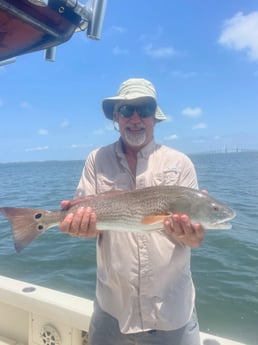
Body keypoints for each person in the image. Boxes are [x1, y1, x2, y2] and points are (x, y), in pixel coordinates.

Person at [60, 78, 205, 345]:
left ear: (155, 117)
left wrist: (190, 234)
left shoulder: (180, 163)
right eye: (127, 110)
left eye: (144, 109)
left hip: (172, 311)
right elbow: (89, 230)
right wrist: (79, 228)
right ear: (116, 116)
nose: (135, 118)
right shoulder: (96, 159)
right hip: (112, 309)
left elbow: (194, 241)